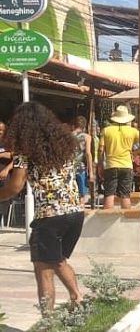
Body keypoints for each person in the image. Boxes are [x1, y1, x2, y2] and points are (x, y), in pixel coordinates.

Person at [0, 102, 84, 312]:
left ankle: (49, 318)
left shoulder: (24, 153)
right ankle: (77, 299)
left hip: (50, 216)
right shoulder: (66, 146)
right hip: (75, 213)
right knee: (57, 260)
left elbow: (15, 186)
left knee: (43, 269)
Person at [98, 105, 139, 210]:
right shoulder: (133, 131)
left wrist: (100, 165)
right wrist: (134, 153)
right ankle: (125, 221)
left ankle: (106, 222)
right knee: (125, 195)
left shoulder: (106, 131)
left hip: (111, 165)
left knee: (109, 194)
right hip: (127, 165)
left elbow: (101, 150)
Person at [71, 116, 94, 204]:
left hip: (69, 167)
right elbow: (88, 153)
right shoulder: (87, 137)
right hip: (80, 167)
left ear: (74, 125)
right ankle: (81, 210)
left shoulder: (68, 136)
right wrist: (91, 171)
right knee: (82, 193)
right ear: (84, 126)